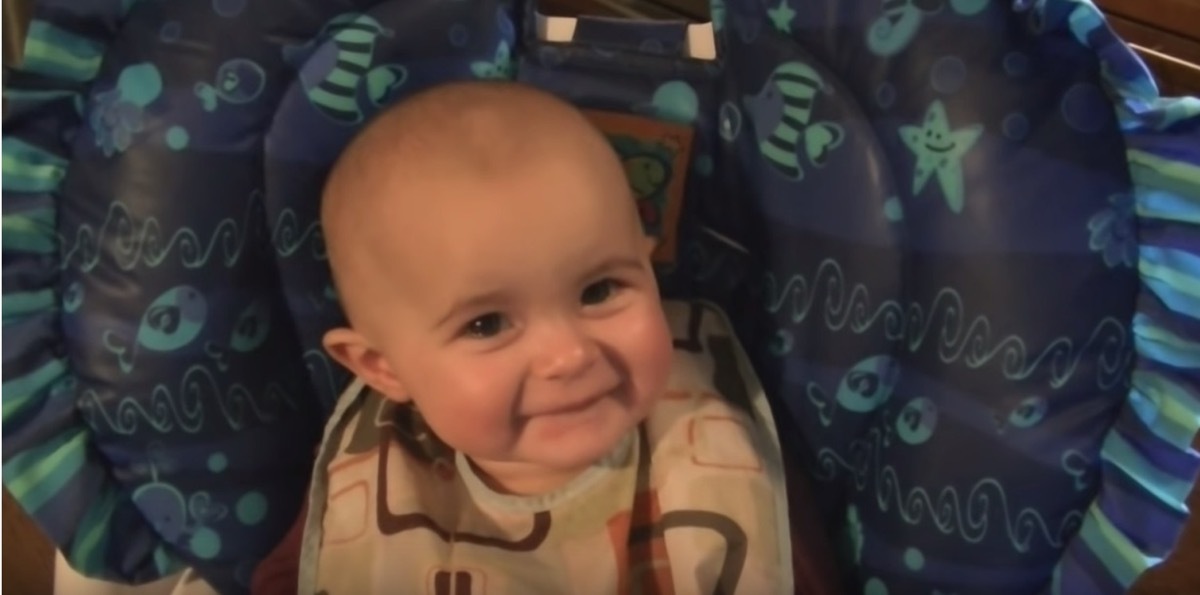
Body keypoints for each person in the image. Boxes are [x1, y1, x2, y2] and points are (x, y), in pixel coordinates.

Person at [252, 80, 843, 594]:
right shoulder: (371, 480)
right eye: (486, 324)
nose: (570, 355)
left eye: (600, 290)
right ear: (382, 368)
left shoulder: (717, 451)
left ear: (647, 263)